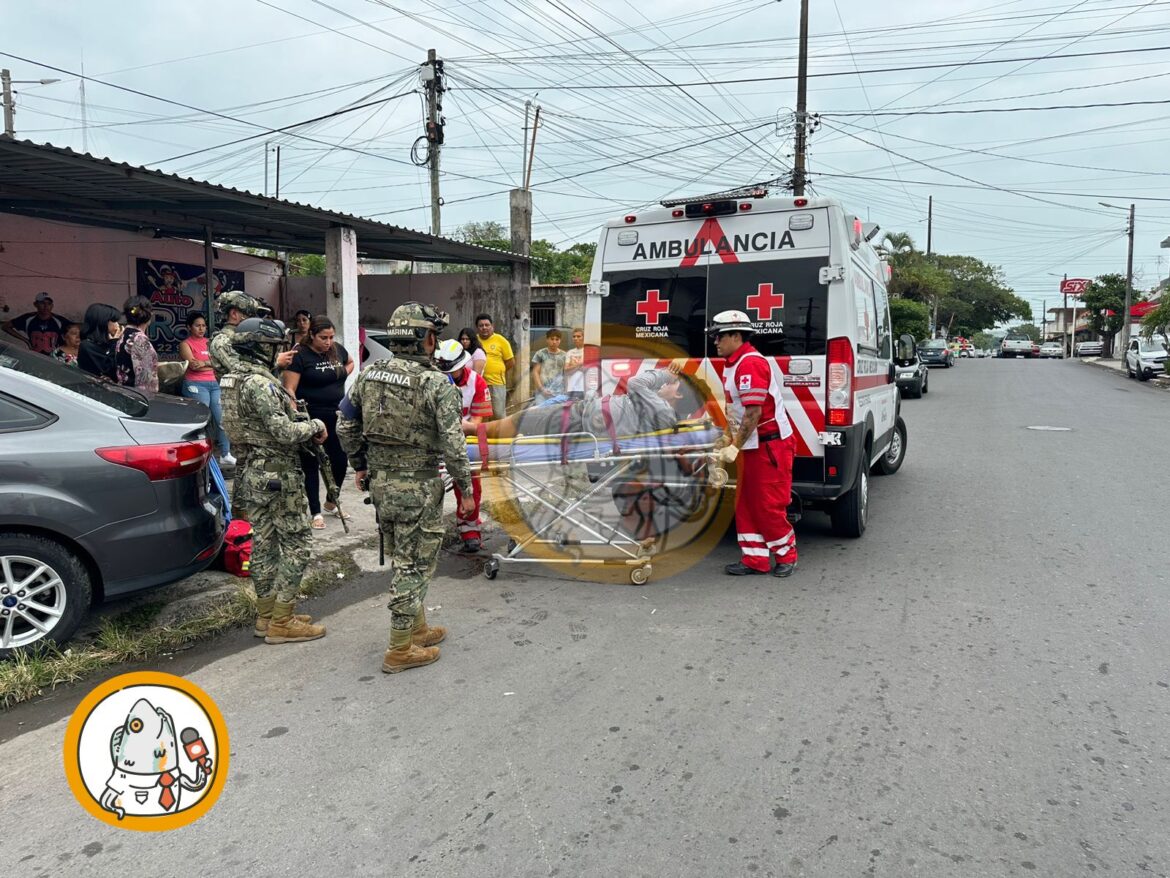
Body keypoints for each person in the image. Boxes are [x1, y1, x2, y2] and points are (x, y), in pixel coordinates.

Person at [337, 302, 475, 675]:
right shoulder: (436, 384)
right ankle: (400, 648)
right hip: (420, 487)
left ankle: (418, 628)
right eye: (435, 334)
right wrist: (466, 490)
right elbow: (454, 444)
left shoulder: (368, 375)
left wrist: (360, 465)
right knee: (414, 565)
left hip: (382, 484)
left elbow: (344, 426)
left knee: (405, 555)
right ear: (426, 338)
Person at [220, 317, 328, 644]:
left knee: (264, 545)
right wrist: (315, 426)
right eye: (274, 347)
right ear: (261, 347)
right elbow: (283, 431)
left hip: (251, 471)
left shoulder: (230, 379)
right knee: (297, 543)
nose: (278, 354)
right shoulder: (259, 383)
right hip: (278, 473)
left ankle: (266, 616)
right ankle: (283, 620)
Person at [708, 310, 798, 578]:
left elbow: (753, 413)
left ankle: (787, 555)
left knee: (769, 504)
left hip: (769, 447)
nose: (715, 341)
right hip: (751, 445)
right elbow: (737, 410)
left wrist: (734, 445)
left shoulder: (749, 364)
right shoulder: (733, 363)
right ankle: (755, 559)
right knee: (745, 503)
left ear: (736, 336)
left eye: (720, 336)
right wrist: (730, 439)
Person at [473, 365, 683, 439]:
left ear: (679, 395)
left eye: (673, 384)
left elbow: (636, 383)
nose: (665, 385)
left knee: (522, 419)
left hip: (579, 418)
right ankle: (476, 429)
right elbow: (645, 390)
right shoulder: (660, 409)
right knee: (528, 415)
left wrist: (665, 374)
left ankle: (471, 430)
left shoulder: (662, 410)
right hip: (582, 413)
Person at [282, 315, 354, 530]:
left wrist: (342, 373)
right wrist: (297, 416)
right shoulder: (300, 355)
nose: (328, 342)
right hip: (311, 415)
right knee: (311, 464)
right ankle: (315, 511)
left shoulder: (337, 350)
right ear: (312, 335)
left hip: (336, 414)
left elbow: (350, 362)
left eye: (331, 337)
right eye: (324, 337)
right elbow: (289, 389)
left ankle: (332, 501)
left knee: (340, 462)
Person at [435, 338, 493, 553]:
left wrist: (459, 427)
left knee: (470, 488)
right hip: (433, 441)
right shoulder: (433, 382)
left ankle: (469, 530)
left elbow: (478, 421)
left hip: (464, 442)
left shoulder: (477, 383)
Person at [179, 312, 233, 466]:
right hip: (196, 384)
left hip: (215, 384)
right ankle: (200, 455)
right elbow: (194, 365)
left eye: (203, 325)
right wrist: (210, 364)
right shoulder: (185, 344)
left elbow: (221, 362)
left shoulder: (210, 342)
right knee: (202, 420)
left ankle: (225, 453)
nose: (201, 328)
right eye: (197, 325)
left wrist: (204, 364)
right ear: (189, 327)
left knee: (222, 418)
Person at [209, 290, 291, 381]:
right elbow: (241, 371)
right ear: (234, 314)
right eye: (250, 315)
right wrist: (276, 362)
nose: (255, 320)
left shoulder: (245, 337)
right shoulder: (222, 340)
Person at [114, 295, 159, 393]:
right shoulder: (140, 340)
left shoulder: (123, 334)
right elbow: (145, 379)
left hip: (123, 390)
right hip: (137, 395)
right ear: (149, 314)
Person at [2, 292, 70, 354]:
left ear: (52, 306)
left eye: (49, 303)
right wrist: (26, 340)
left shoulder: (59, 320)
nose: (46, 306)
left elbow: (76, 330)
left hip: (56, 358)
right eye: (42, 303)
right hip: (36, 356)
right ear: (35, 304)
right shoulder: (28, 319)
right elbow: (5, 326)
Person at [475, 313, 515, 419]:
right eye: (481, 325)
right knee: (480, 414)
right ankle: (483, 435)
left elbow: (510, 361)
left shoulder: (500, 340)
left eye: (487, 325)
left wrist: (498, 371)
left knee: (498, 413)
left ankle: (501, 435)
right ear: (477, 327)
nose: (484, 327)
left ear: (492, 326)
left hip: (496, 383)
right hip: (478, 384)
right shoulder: (474, 341)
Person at [77, 303, 123, 381]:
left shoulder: (107, 343)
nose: (117, 325)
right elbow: (109, 370)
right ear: (103, 322)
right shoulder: (87, 346)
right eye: (114, 321)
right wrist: (115, 342)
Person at [531, 329, 568, 404]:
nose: (554, 342)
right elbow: (535, 372)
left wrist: (567, 390)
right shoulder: (541, 354)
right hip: (542, 393)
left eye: (557, 339)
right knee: (541, 413)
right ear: (547, 339)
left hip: (559, 393)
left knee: (557, 415)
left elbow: (566, 374)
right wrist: (541, 389)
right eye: (552, 339)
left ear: (560, 340)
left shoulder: (564, 355)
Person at [564, 327, 587, 400]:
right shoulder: (570, 352)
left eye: (578, 336)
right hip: (571, 388)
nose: (576, 338)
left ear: (583, 337)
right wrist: (580, 364)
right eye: (574, 336)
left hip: (584, 387)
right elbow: (566, 371)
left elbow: (587, 370)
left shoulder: (588, 351)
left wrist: (572, 365)